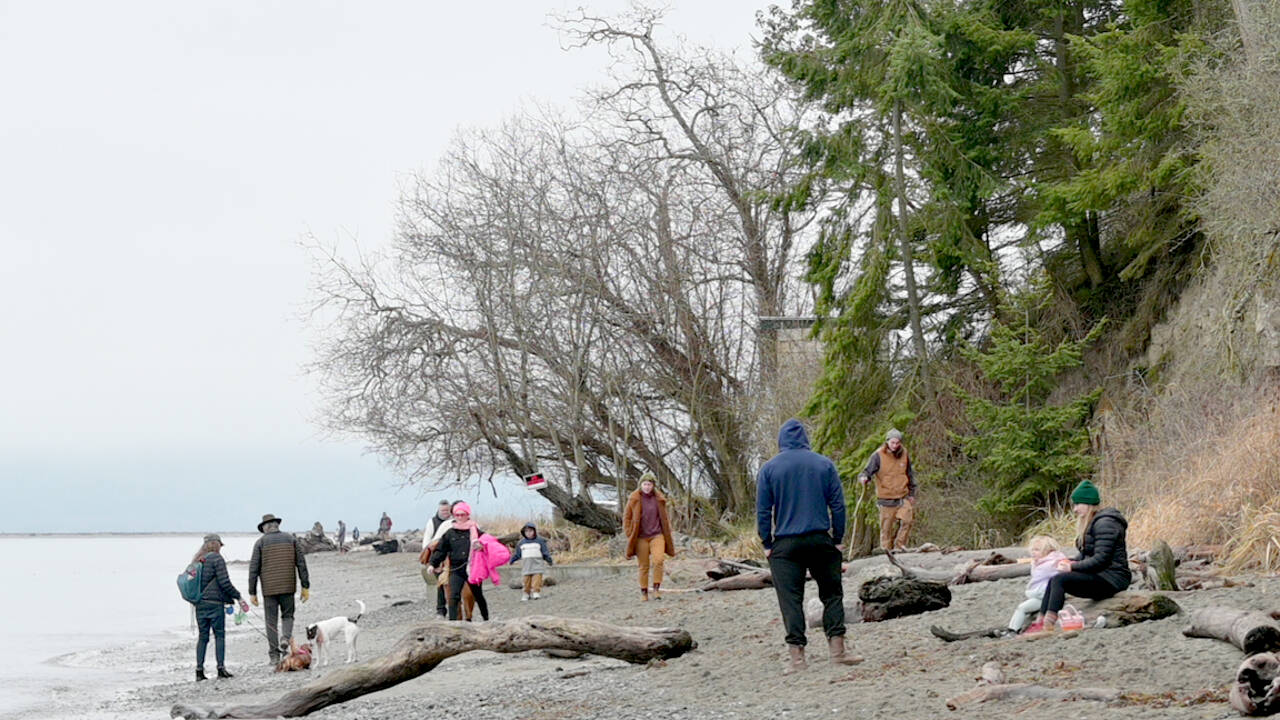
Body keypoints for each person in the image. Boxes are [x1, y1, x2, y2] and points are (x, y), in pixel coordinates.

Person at [757, 418, 861, 672]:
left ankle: (797, 659)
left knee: (790, 600)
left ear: (781, 441)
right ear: (805, 439)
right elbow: (838, 505)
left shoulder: (769, 469)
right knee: (832, 595)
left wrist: (766, 542)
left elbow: (763, 510)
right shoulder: (824, 464)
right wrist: (837, 539)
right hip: (819, 538)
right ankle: (837, 651)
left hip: (785, 543)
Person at [1026, 481, 1131, 635]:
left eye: (1077, 505)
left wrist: (1072, 567)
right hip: (1101, 575)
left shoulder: (1105, 523)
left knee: (1060, 580)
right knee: (1055, 578)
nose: (1074, 509)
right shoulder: (1093, 522)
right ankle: (1040, 622)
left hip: (1113, 579)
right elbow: (1086, 554)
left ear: (1088, 503)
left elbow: (1101, 559)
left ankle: (1047, 625)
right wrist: (1070, 561)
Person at [249, 513, 311, 665]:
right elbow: (301, 564)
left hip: (269, 589)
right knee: (288, 615)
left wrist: (252, 592)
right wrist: (305, 586)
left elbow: (253, 569)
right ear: (277, 526)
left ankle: (274, 655)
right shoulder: (291, 539)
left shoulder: (260, 542)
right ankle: (285, 638)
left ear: (265, 528)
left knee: (271, 621)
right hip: (288, 586)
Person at [191, 534, 249, 681]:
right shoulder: (217, 559)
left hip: (199, 605)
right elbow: (225, 582)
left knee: (203, 637)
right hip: (215, 604)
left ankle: (199, 671)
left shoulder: (197, 560)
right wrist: (238, 596)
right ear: (216, 544)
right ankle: (221, 669)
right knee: (219, 636)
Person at [428, 502, 491, 621]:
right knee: (453, 596)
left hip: (472, 568)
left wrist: (482, 547)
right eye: (457, 515)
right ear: (454, 516)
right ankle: (453, 623)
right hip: (456, 569)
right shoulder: (449, 533)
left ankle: (486, 619)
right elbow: (441, 550)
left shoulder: (476, 531)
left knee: (478, 595)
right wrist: (432, 564)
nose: (460, 517)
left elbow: (490, 543)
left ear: (468, 515)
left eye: (463, 514)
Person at [857, 428, 918, 551]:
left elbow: (909, 474)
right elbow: (867, 471)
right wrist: (864, 478)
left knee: (908, 520)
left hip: (902, 495)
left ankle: (900, 546)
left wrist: (912, 493)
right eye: (892, 443)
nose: (895, 445)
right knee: (886, 529)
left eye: (897, 443)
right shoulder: (878, 455)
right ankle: (886, 552)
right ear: (887, 441)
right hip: (886, 498)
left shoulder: (904, 454)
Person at [623, 472, 676, 601]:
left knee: (658, 561)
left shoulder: (659, 499)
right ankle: (644, 592)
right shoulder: (634, 499)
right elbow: (627, 517)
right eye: (645, 484)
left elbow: (664, 518)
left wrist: (666, 531)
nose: (647, 487)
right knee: (643, 565)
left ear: (653, 486)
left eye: (649, 484)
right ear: (641, 485)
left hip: (657, 535)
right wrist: (630, 532)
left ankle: (656, 589)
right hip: (641, 537)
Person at [1005, 536, 1067, 634]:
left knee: (1022, 608)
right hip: (1040, 594)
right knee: (1022, 608)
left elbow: (1043, 576)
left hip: (1042, 597)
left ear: (1048, 551)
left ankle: (1013, 630)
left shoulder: (1050, 564)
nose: (1033, 552)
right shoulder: (1042, 562)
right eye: (1033, 550)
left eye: (1037, 550)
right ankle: (1011, 629)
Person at [420, 500, 454, 617]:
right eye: (443, 510)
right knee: (441, 582)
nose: (445, 513)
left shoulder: (454, 521)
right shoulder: (433, 522)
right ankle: (441, 609)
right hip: (437, 556)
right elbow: (427, 540)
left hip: (452, 555)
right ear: (439, 511)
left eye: (447, 510)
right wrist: (430, 559)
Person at [509, 522, 554, 601]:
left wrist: (549, 560)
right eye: (526, 531)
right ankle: (526, 593)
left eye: (530, 531)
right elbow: (517, 554)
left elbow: (545, 552)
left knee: (537, 580)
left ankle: (536, 592)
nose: (529, 533)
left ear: (534, 531)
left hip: (537, 565)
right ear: (524, 532)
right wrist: (512, 560)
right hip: (526, 566)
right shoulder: (521, 543)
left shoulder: (540, 541)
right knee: (526, 581)